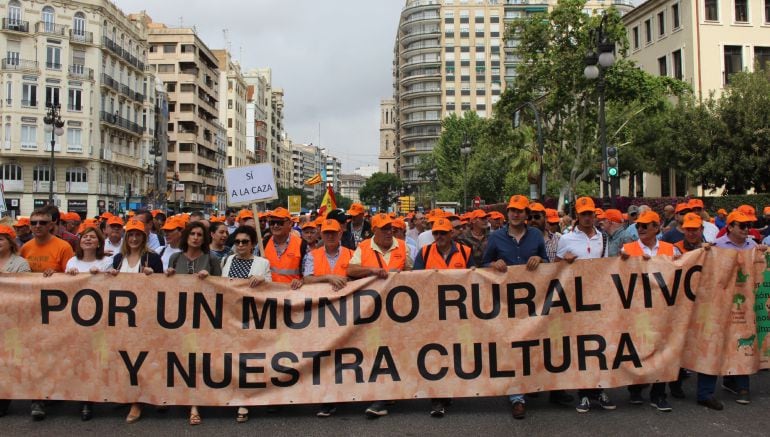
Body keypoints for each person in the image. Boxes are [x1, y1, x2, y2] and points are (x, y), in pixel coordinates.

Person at [481, 194, 552, 419]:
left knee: (531, 345)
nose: (515, 213)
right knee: (511, 347)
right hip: (505, 302)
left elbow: (548, 264)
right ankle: (516, 397)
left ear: (526, 215)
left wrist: (540, 260)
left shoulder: (536, 236)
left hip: (532, 303)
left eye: (520, 210)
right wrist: (493, 263)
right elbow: (481, 265)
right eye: (512, 210)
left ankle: (530, 385)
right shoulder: (496, 238)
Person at [347, 213, 412, 417]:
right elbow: (351, 270)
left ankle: (386, 394)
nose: (388, 232)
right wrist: (373, 271)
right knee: (377, 350)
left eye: (390, 228)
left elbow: (411, 272)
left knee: (394, 350)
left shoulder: (403, 246)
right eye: (383, 228)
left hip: (399, 310)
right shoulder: (364, 247)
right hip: (371, 309)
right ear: (373, 230)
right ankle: (381, 395)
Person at [555, 197, 616, 414]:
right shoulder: (566, 239)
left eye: (590, 213)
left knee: (599, 345)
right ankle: (583, 393)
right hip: (574, 301)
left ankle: (598, 389)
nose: (588, 217)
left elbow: (606, 267)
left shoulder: (604, 239)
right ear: (577, 215)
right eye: (584, 214)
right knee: (580, 347)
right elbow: (554, 270)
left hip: (597, 300)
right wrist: (564, 263)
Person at [619, 211, 680, 412]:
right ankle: (636, 389)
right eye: (638, 226)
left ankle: (658, 393)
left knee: (661, 349)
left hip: (663, 308)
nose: (641, 229)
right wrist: (623, 261)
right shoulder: (627, 248)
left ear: (657, 227)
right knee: (638, 348)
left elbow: (683, 271)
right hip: (637, 308)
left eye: (646, 225)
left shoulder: (670, 249)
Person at [413, 217, 474, 417]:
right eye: (436, 233)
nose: (439, 236)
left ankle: (449, 390)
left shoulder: (466, 252)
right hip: (432, 313)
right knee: (436, 354)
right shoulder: (424, 253)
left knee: (455, 352)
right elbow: (415, 280)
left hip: (459, 314)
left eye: (443, 233)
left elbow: (476, 279)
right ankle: (437, 398)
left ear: (451, 234)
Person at [708, 210, 768, 406]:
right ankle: (723, 382)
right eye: (742, 226)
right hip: (722, 303)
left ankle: (743, 387)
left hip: (746, 305)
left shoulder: (753, 246)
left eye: (748, 226)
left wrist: (762, 255)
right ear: (730, 227)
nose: (746, 229)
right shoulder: (716, 246)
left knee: (744, 341)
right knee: (721, 341)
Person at [107, 219, 163, 424]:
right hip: (123, 318)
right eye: (130, 234)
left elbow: (164, 287)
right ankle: (128, 394)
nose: (133, 238)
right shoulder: (118, 259)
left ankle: (138, 401)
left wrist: (154, 276)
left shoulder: (152, 258)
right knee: (124, 357)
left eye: (137, 234)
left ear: (144, 237)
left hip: (146, 317)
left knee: (141, 358)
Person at [166, 221, 221, 426]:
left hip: (203, 318)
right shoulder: (175, 257)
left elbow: (222, 288)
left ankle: (195, 404)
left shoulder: (212, 259)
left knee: (197, 360)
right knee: (179, 359)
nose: (196, 237)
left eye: (200, 234)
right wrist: (168, 275)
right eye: (192, 234)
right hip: (178, 318)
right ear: (186, 236)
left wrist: (210, 278)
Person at [219, 225, 271, 423]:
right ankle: (232, 394)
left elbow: (272, 289)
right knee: (230, 358)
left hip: (251, 317)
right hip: (229, 316)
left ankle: (245, 400)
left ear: (252, 244)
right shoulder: (226, 260)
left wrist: (262, 280)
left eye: (245, 242)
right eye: (237, 242)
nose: (240, 245)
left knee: (247, 359)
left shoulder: (262, 263)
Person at [64, 225, 113, 420]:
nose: (88, 240)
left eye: (92, 237)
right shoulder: (71, 261)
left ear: (99, 242)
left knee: (94, 358)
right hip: (74, 318)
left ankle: (88, 400)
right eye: (85, 237)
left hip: (97, 319)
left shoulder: (106, 262)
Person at [0, 224, 31, 418]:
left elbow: (27, 288)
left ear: (10, 243)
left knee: (7, 360)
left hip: (11, 319)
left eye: (1, 239)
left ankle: (4, 399)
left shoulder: (20, 264)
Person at [264, 208, 307, 286]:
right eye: (272, 222)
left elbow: (308, 274)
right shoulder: (263, 243)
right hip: (268, 294)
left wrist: (301, 281)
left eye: (280, 222)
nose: (275, 226)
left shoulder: (302, 244)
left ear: (290, 224)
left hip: (292, 294)